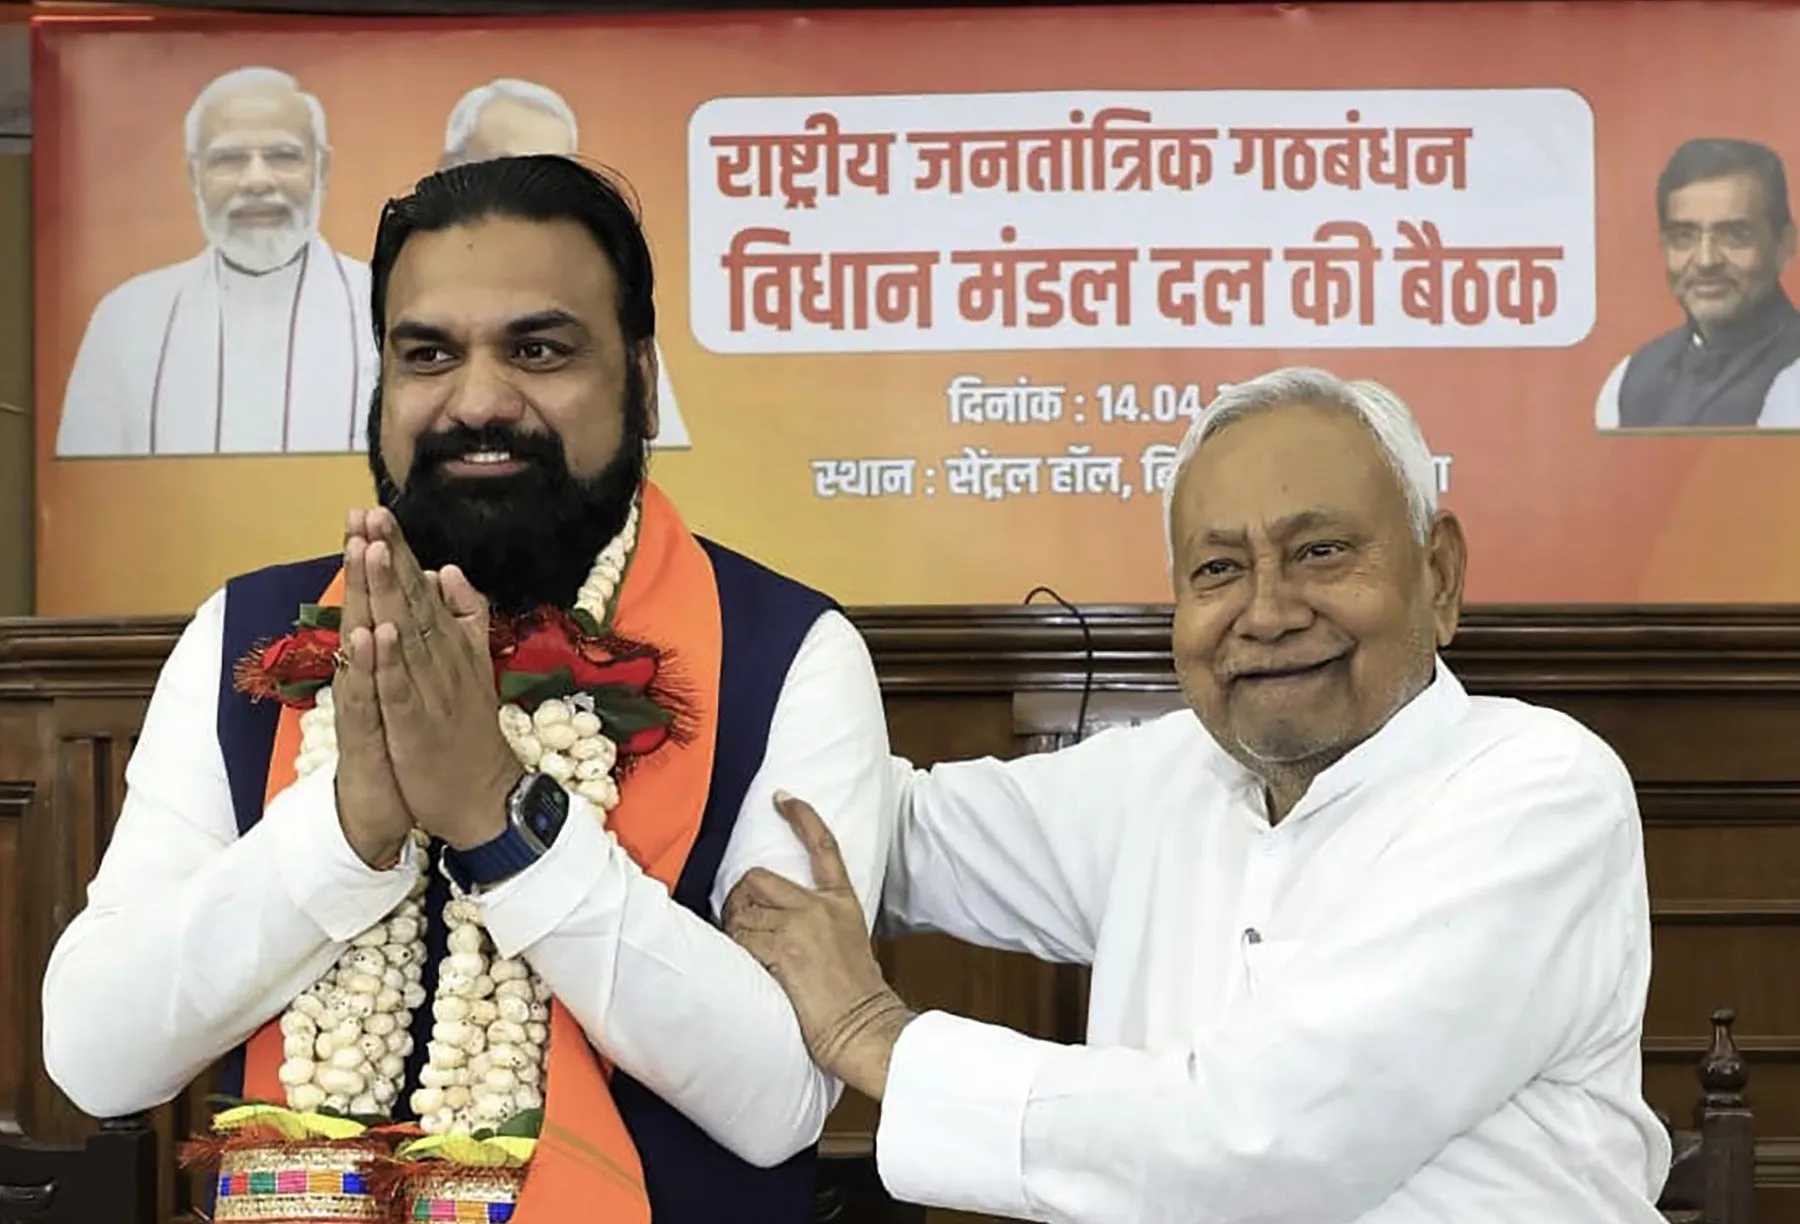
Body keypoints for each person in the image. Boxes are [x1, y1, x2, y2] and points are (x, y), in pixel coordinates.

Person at [40, 155, 891, 1224]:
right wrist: (347, 828)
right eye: (428, 354)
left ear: (640, 374)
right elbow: (95, 1057)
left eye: (539, 349)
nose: (480, 400)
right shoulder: (244, 639)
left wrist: (502, 816)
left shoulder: (790, 653)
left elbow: (779, 1100)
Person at [727, 367, 1672, 1222]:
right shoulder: (1169, 775)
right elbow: (887, 827)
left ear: (1440, 577)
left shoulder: (1536, 789)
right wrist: (634, 711)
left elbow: (1260, 1145)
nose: (1266, 611)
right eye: (1218, 569)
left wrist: (874, 1036)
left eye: (1321, 552)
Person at [54, 66, 376, 458]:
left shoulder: (389, 308)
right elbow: (84, 491)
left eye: (283, 156)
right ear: (193, 178)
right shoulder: (126, 321)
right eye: (229, 160)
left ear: (322, 170)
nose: (257, 180)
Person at [440, 78, 690, 450]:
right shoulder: (390, 310)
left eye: (557, 177)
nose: (534, 199)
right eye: (509, 171)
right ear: (449, 170)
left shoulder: (606, 320)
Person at [1596, 137, 1800, 430]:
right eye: (1684, 236)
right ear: (1664, 247)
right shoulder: (1630, 380)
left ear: (1784, 245)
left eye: (1735, 235)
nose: (1706, 260)